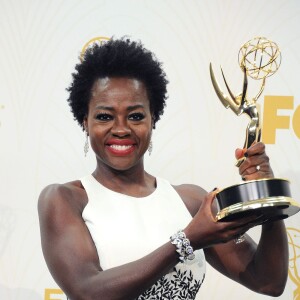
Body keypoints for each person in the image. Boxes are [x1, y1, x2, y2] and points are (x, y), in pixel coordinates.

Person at [38, 38, 288, 300]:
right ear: (85, 122)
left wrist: (268, 200)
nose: (121, 129)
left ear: (153, 119)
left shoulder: (191, 201)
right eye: (105, 116)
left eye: (135, 116)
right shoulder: (64, 199)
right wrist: (186, 241)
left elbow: (269, 282)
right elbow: (87, 292)